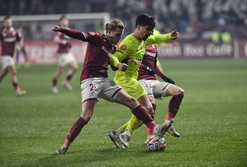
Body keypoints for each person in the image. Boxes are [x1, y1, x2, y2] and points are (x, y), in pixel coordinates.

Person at [53, 19, 163, 154]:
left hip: (104, 81)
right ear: (108, 32)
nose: (119, 38)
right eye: (117, 35)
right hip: (90, 80)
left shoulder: (112, 47)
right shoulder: (97, 38)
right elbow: (79, 35)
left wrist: (120, 65)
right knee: (86, 115)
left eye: (121, 35)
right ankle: (65, 144)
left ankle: (153, 127)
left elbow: (113, 63)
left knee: (131, 101)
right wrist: (62, 30)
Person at [108, 15, 179, 148]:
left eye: (151, 30)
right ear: (139, 27)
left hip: (132, 81)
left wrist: (170, 36)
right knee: (148, 108)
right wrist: (122, 62)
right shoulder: (128, 42)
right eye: (148, 29)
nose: (150, 33)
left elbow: (157, 37)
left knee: (148, 109)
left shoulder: (143, 39)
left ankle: (120, 133)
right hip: (125, 80)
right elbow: (113, 59)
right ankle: (131, 135)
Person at [117, 40, 184, 144]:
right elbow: (120, 57)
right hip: (139, 82)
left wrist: (164, 77)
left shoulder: (154, 46)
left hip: (153, 81)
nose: (151, 33)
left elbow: (155, 64)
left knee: (179, 92)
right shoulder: (134, 43)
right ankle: (150, 136)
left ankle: (168, 123)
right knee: (150, 106)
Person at [0, 16, 26, 96]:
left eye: (9, 22)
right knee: (13, 72)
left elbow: (20, 43)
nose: (8, 23)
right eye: (6, 22)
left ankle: (17, 91)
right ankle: (18, 91)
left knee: (4, 73)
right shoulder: (2, 33)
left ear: (11, 22)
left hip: (11, 56)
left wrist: (19, 47)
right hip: (5, 55)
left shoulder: (15, 33)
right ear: (4, 23)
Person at [51, 15, 78, 93]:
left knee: (75, 67)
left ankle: (66, 82)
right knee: (60, 71)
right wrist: (64, 42)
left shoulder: (68, 30)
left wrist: (69, 44)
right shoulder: (60, 30)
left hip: (67, 52)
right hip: (62, 53)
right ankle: (54, 86)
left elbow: (69, 39)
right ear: (60, 22)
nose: (66, 22)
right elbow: (55, 39)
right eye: (64, 20)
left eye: (67, 20)